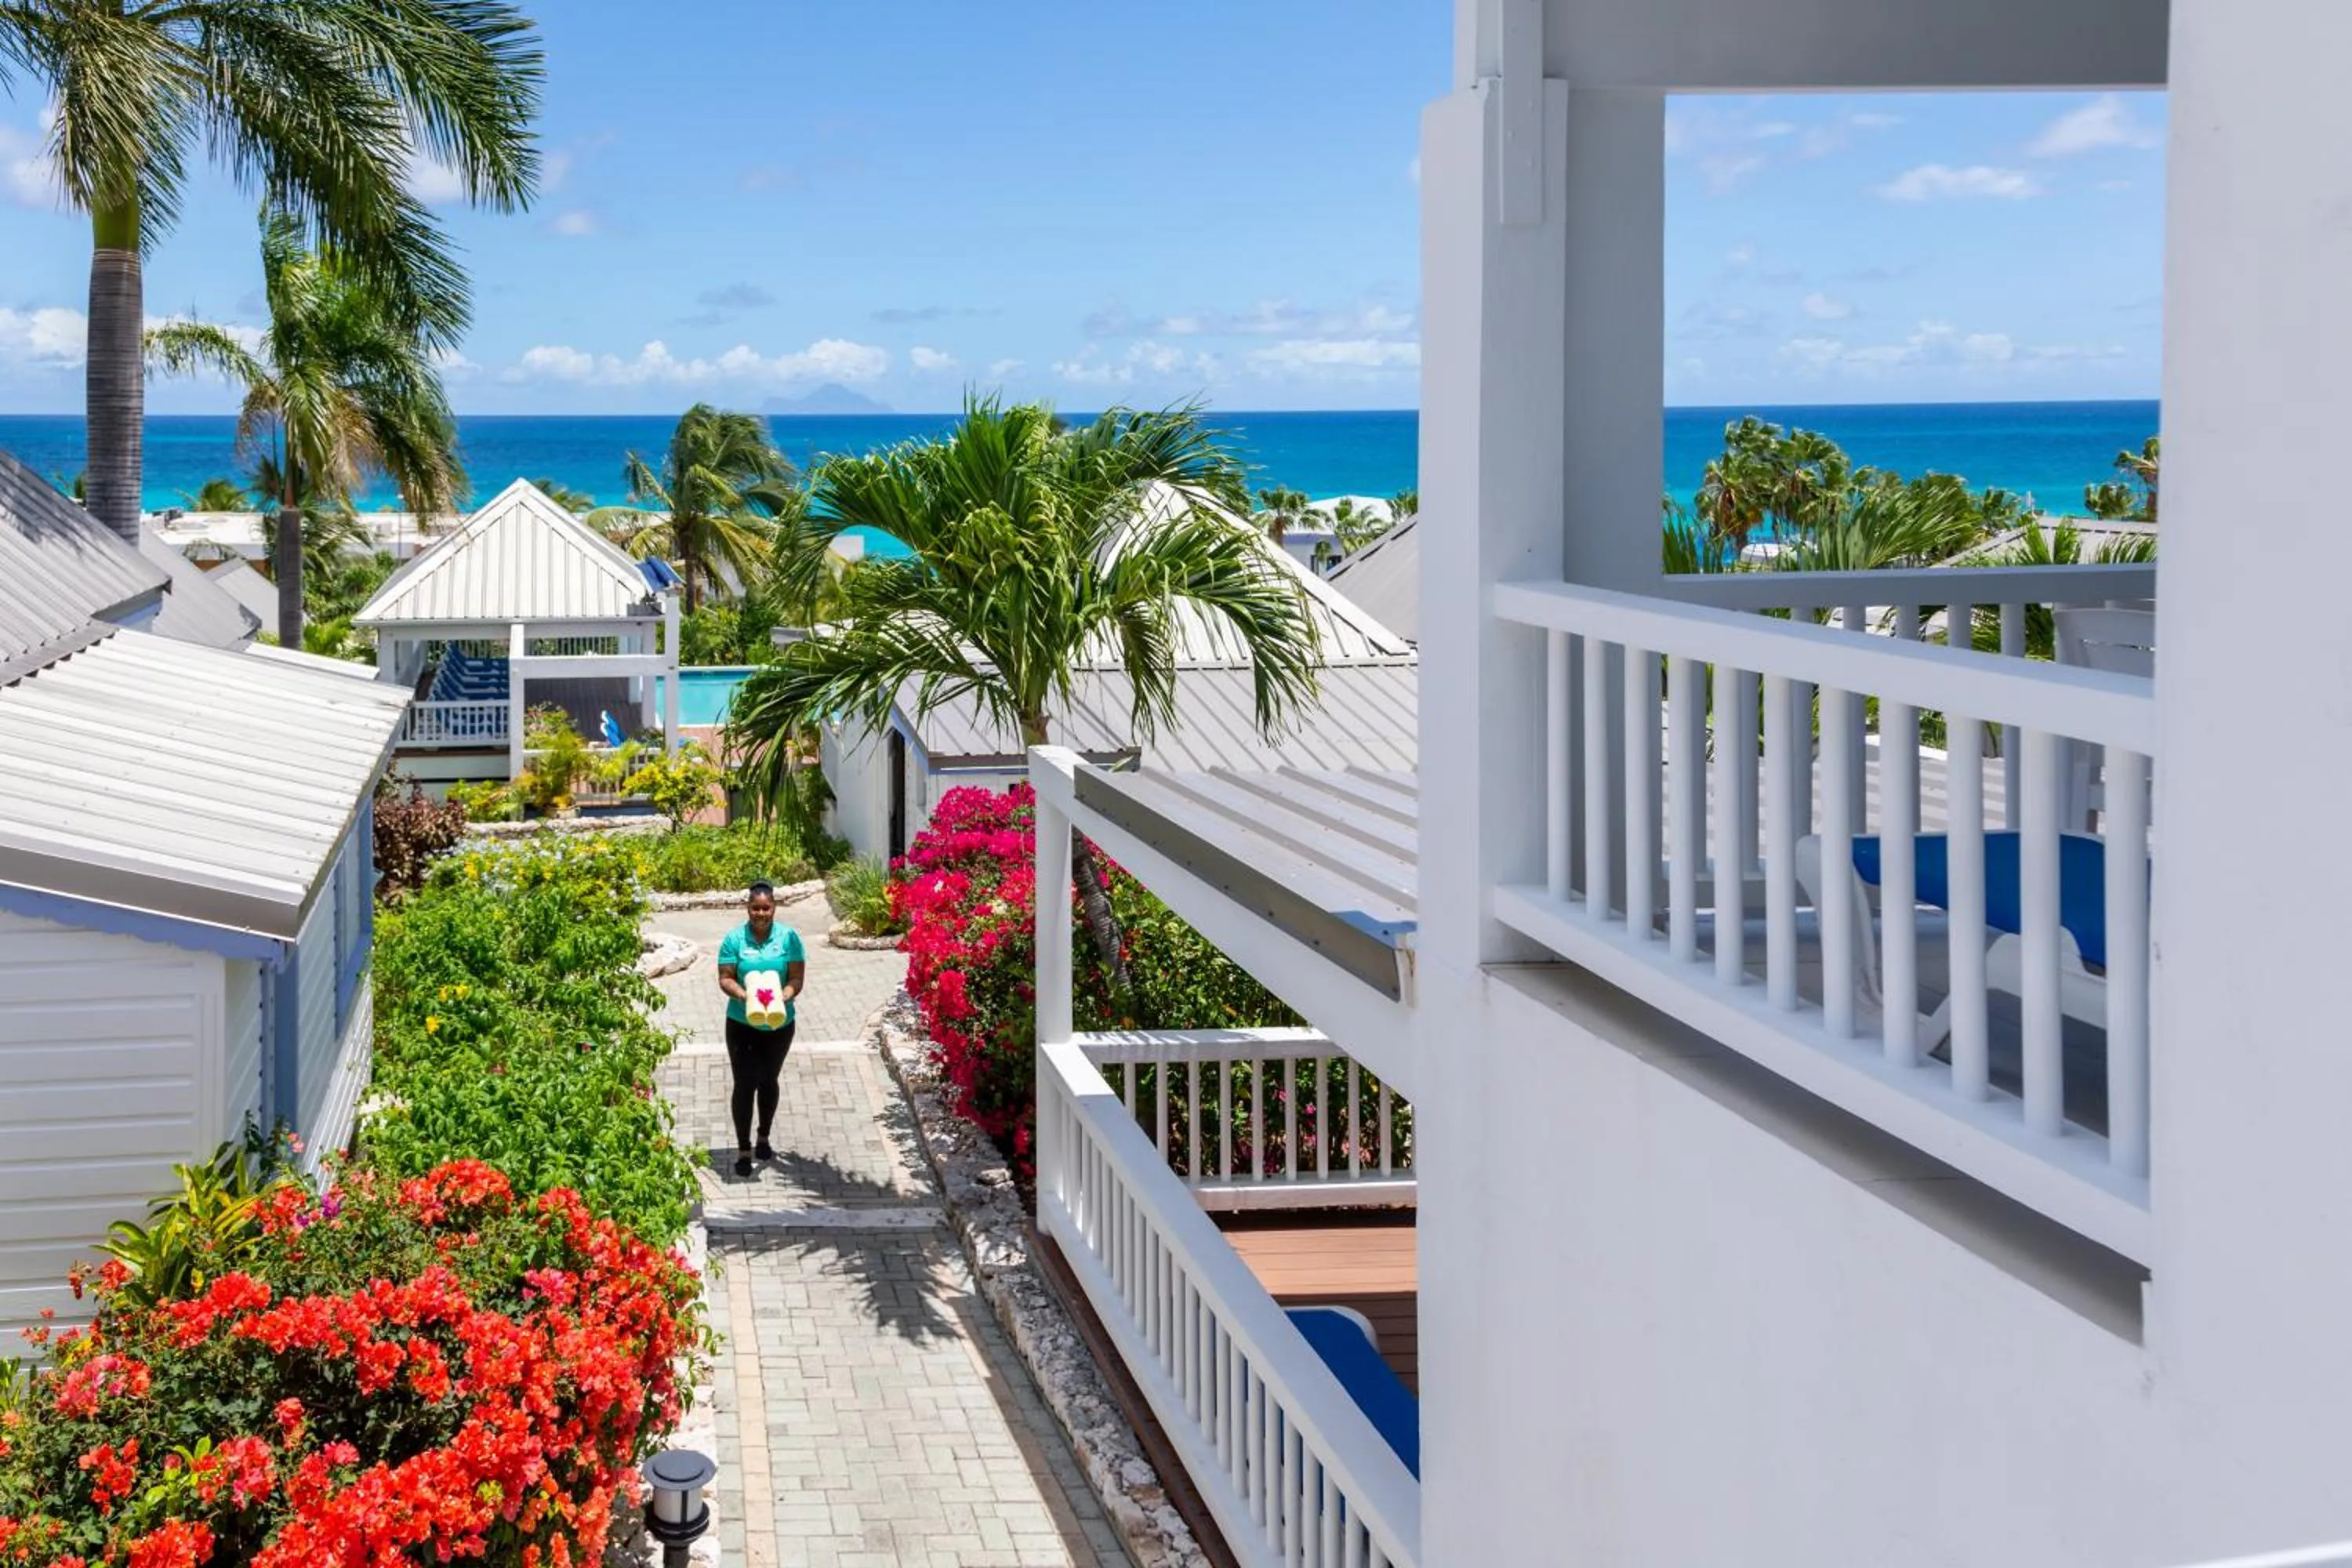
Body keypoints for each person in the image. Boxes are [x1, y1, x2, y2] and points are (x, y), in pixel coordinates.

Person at [715, 881, 808, 1177]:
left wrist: (785, 995)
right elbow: (725, 977)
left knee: (768, 1080)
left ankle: (764, 1136)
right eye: (755, 908)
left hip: (780, 1022)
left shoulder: (789, 938)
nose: (760, 913)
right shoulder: (734, 939)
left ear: (774, 908)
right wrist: (745, 995)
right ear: (748, 908)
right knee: (744, 1084)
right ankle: (744, 1148)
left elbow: (796, 978)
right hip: (742, 1023)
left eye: (766, 908)